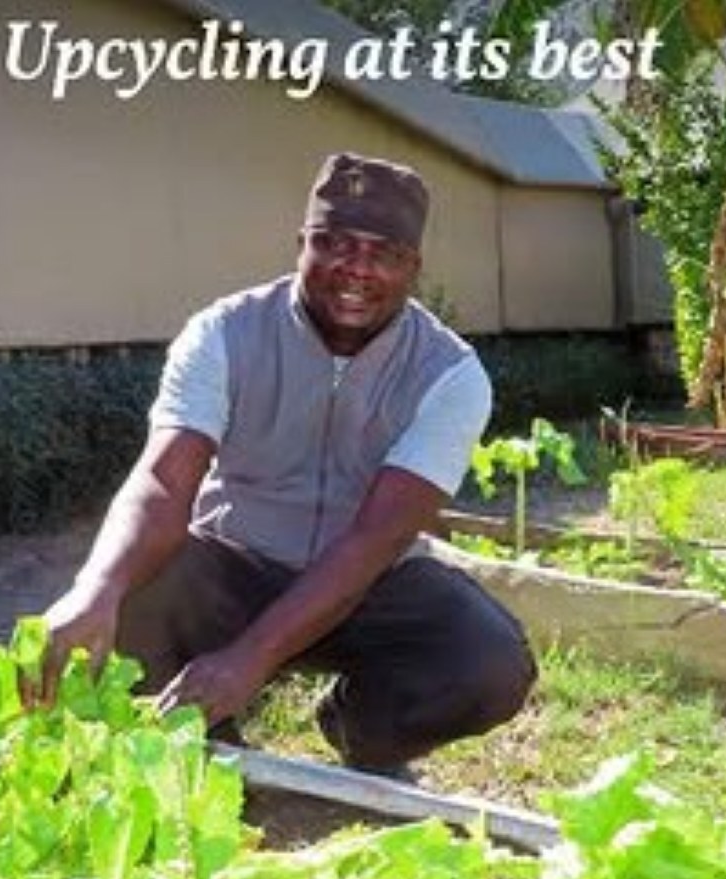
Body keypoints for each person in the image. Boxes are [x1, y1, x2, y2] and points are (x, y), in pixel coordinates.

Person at [35, 151, 535, 774]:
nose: (355, 268)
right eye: (334, 243)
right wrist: (96, 587)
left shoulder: (450, 374)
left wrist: (251, 657)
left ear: (414, 267)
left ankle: (364, 733)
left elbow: (374, 539)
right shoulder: (223, 333)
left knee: (490, 662)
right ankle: (209, 749)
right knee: (134, 590)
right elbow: (164, 482)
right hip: (236, 563)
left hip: (370, 584)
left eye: (383, 252)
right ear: (301, 244)